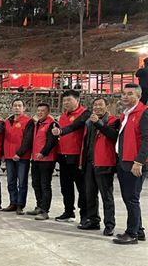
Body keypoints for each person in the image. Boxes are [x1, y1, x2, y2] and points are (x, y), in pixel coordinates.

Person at [113, 84, 148, 245]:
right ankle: (139, 230)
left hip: (134, 163)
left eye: (130, 94)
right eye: (124, 94)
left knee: (131, 198)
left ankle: (132, 233)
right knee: (129, 197)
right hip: (124, 161)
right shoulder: (126, 114)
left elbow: (147, 139)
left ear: (138, 96)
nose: (125, 97)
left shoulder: (143, 113)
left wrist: (139, 161)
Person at [79, 97, 117, 236]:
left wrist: (99, 123)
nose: (97, 107)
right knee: (90, 194)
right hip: (89, 163)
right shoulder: (89, 122)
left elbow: (113, 136)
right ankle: (93, 220)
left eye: (101, 105)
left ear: (106, 107)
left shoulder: (112, 120)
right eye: (95, 105)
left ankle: (109, 224)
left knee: (106, 196)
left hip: (104, 163)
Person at [51, 90, 91, 223]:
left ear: (77, 100)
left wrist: (61, 131)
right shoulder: (63, 116)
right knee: (65, 186)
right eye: (64, 101)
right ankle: (68, 211)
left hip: (77, 157)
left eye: (69, 100)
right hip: (63, 156)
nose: (66, 103)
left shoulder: (85, 114)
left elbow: (76, 125)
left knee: (82, 187)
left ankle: (85, 215)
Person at [21, 103, 59, 220]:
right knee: (36, 183)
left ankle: (45, 210)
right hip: (36, 158)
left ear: (48, 112)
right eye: (38, 110)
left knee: (45, 185)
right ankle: (39, 206)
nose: (40, 112)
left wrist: (43, 152)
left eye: (43, 111)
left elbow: (51, 141)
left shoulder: (51, 123)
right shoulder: (37, 123)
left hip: (46, 159)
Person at [4, 99, 34, 214]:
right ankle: (13, 202)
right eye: (15, 105)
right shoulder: (7, 121)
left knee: (22, 182)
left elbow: (27, 140)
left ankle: (20, 205)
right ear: (12, 107)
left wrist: (19, 153)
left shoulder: (28, 121)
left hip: (22, 157)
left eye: (19, 106)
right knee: (11, 181)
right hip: (9, 156)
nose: (17, 108)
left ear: (24, 108)